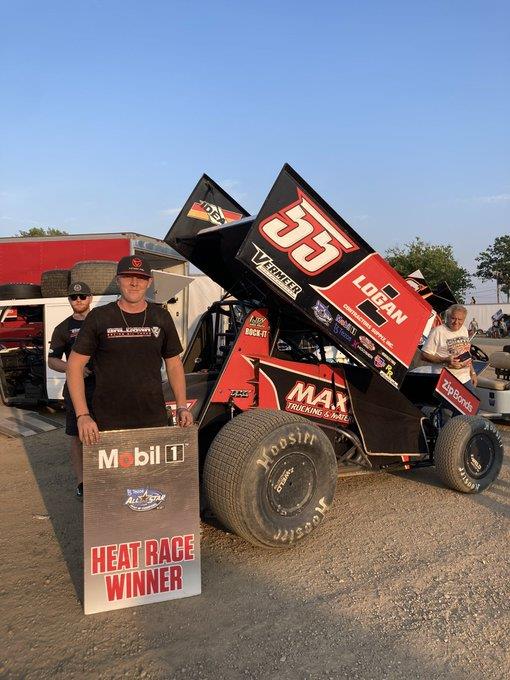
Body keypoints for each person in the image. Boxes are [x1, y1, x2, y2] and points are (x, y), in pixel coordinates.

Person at [67, 255, 193, 449]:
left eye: (141, 278)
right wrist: (83, 415)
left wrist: (182, 406)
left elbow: (174, 364)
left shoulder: (161, 317)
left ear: (149, 282)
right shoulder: (99, 317)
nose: (134, 283)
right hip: (107, 420)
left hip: (153, 418)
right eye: (128, 277)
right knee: (113, 471)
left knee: (150, 470)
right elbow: (74, 366)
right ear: (118, 280)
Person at [48, 281, 94, 498]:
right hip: (76, 390)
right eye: (74, 297)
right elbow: (52, 360)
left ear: (90, 298)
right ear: (69, 300)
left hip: (106, 389)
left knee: (109, 433)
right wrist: (73, 368)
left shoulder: (101, 320)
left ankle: (106, 477)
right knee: (76, 436)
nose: (78, 300)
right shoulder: (63, 328)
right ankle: (82, 483)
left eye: (82, 296)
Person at [421, 304, 477, 389]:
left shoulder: (464, 329)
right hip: (445, 380)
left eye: (460, 319)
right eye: (453, 318)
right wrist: (445, 360)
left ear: (464, 319)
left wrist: (472, 373)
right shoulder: (437, 331)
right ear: (447, 317)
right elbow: (423, 355)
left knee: (472, 398)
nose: (456, 322)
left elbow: (466, 353)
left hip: (465, 379)